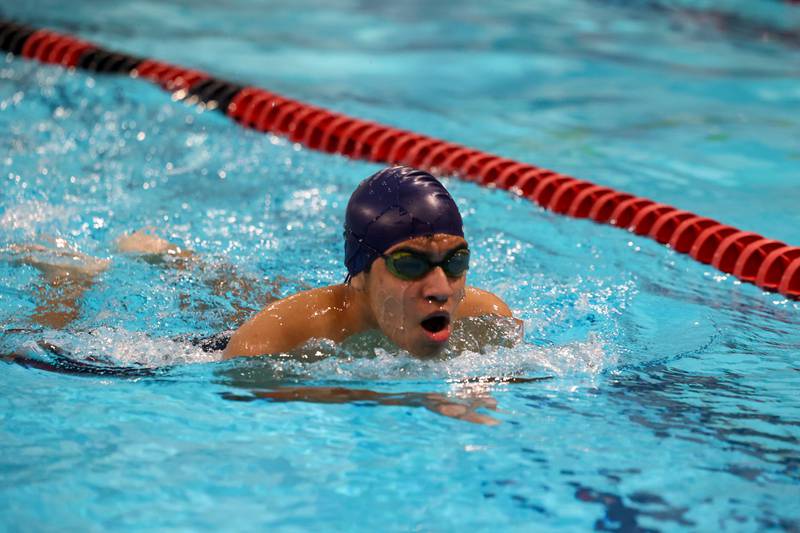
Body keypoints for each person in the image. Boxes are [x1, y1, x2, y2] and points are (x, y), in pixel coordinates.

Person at [221, 165, 519, 359]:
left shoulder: (488, 322)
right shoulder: (272, 343)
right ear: (359, 271)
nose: (440, 289)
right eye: (410, 265)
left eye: (455, 261)